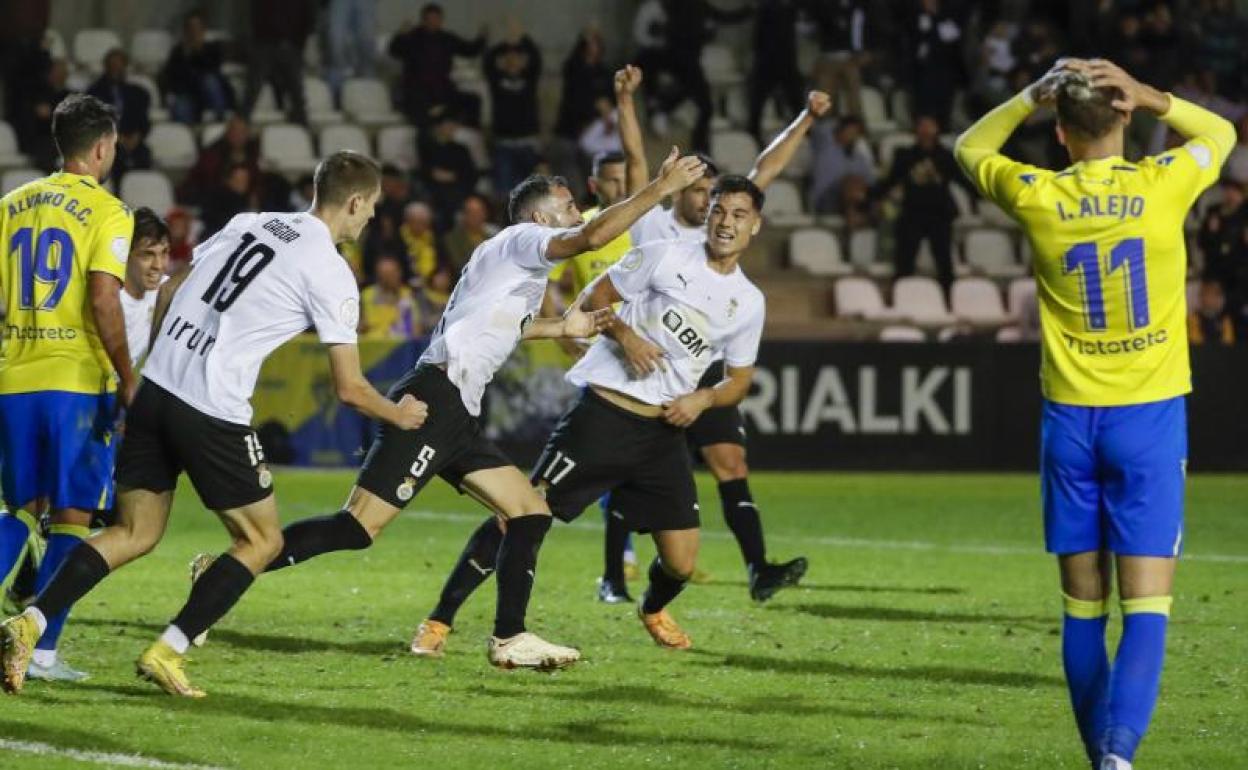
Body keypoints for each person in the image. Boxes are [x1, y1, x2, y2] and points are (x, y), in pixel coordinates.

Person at [190, 153, 707, 671]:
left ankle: (510, 638)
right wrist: (660, 189)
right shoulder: (521, 241)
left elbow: (499, 323)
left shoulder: (513, 262)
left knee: (528, 511)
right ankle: (224, 569)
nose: (582, 214)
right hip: (436, 399)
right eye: (571, 206)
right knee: (357, 528)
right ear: (540, 219)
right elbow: (589, 240)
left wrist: (561, 328)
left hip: (458, 408)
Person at [0, 151, 427, 697]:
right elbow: (350, 389)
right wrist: (401, 414)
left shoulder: (251, 223)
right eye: (372, 208)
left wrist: (156, 361)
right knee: (261, 540)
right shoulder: (332, 272)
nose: (371, 219)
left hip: (157, 390)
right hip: (212, 409)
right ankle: (168, 649)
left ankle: (28, 624)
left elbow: (175, 286)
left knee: (133, 532)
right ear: (355, 201)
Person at [954, 58, 1235, 769]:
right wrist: (1154, 94)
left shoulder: (1037, 193)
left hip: (1071, 425)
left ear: (1058, 131)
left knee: (1083, 608)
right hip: (1147, 420)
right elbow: (1223, 132)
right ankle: (1119, 755)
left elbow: (969, 149)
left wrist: (1025, 93)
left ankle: (1097, 757)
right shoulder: (1163, 184)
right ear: (1127, 119)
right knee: (1147, 607)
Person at [413, 174, 768, 656]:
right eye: (719, 211)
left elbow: (739, 380)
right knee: (517, 514)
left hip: (663, 432)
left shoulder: (748, 302)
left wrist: (702, 400)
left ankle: (651, 607)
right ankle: (439, 620)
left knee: (682, 562)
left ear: (756, 226)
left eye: (738, 215)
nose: (725, 222)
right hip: (603, 417)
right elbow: (594, 300)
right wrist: (626, 336)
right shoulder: (664, 254)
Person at [607, 66, 827, 603]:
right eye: (702, 190)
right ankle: (614, 575)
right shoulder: (656, 225)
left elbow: (763, 171)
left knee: (731, 461)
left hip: (704, 367)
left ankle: (758, 569)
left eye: (715, 193)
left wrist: (805, 118)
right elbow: (636, 159)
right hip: (653, 359)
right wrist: (626, 99)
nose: (711, 202)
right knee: (627, 469)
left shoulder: (727, 225)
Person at [0, 95, 137, 684]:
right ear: (103, 147)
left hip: (14, 377)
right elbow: (104, 298)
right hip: (76, 382)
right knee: (73, 519)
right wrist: (128, 377)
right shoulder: (109, 211)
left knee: (19, 512)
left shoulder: (10, 205)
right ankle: (45, 651)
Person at [871, 115, 972, 296]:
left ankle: (949, 300)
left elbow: (962, 181)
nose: (926, 130)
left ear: (937, 129)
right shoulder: (905, 155)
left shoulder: (945, 156)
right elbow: (890, 181)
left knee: (944, 262)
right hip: (912, 213)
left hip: (939, 214)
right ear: (916, 130)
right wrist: (868, 199)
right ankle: (900, 297)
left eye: (930, 125)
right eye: (922, 126)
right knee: (904, 261)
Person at [387, 3, 485, 128]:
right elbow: (394, 51)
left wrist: (482, 37)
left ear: (441, 20)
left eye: (437, 19)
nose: (433, 22)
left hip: (443, 89)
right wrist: (400, 34)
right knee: (423, 109)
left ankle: (470, 136)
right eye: (430, 19)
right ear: (423, 20)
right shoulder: (412, 37)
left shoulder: (447, 38)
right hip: (418, 92)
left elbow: (470, 50)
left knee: (473, 100)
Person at [483, 22, 543, 195]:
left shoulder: (529, 78)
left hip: (527, 142)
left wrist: (522, 38)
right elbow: (488, 62)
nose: (512, 60)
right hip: (503, 142)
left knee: (531, 192)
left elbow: (537, 59)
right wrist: (506, 43)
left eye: (517, 57)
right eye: (508, 57)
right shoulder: (497, 80)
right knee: (504, 190)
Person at [242, 0, 315, 125]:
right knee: (252, 91)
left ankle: (302, 132)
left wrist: (297, 44)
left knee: (297, 94)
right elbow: (256, 15)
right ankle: (240, 130)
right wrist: (261, 40)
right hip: (265, 45)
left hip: (291, 46)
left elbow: (307, 17)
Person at [160, 9, 235, 124]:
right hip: (188, 94)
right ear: (186, 31)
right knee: (180, 106)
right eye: (191, 29)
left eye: (197, 28)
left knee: (209, 81)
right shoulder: (178, 51)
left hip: (208, 92)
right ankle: (187, 137)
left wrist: (199, 51)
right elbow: (172, 76)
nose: (194, 32)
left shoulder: (212, 48)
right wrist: (187, 55)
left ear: (203, 30)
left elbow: (214, 71)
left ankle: (220, 120)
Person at [120, 208, 172, 370]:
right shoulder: (108, 297)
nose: (158, 266)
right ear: (124, 255)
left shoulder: (166, 289)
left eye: (164, 253)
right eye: (147, 255)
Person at [360, 254, 420, 339]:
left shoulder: (408, 295)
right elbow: (358, 326)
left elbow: (416, 328)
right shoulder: (367, 295)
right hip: (371, 344)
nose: (390, 278)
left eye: (393, 273)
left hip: (400, 345)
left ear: (400, 273)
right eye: (385, 274)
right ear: (378, 275)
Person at [1188, 279, 1236, 345]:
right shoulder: (1194, 317)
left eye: (1215, 294)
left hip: (1222, 353)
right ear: (1201, 297)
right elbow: (1196, 341)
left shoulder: (1224, 318)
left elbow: (1228, 341)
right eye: (1207, 294)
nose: (1211, 298)